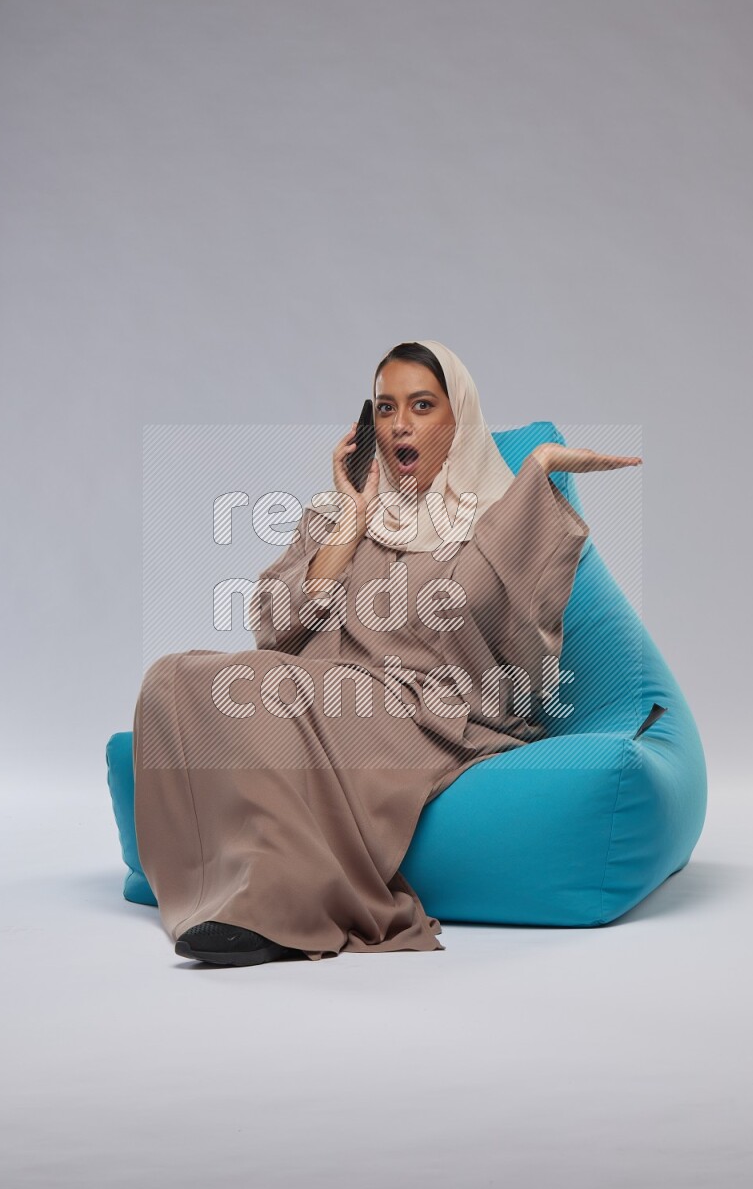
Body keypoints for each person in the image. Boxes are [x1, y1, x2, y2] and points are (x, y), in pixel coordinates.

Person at [132, 339, 641, 967]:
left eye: (422, 406)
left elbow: (496, 614)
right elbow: (269, 627)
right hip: (321, 689)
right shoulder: (335, 516)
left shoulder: (490, 515)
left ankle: (274, 910)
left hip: (435, 711)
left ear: (459, 418)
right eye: (385, 408)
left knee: (268, 690)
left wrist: (535, 469)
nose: (400, 424)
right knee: (173, 678)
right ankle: (212, 884)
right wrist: (350, 526)